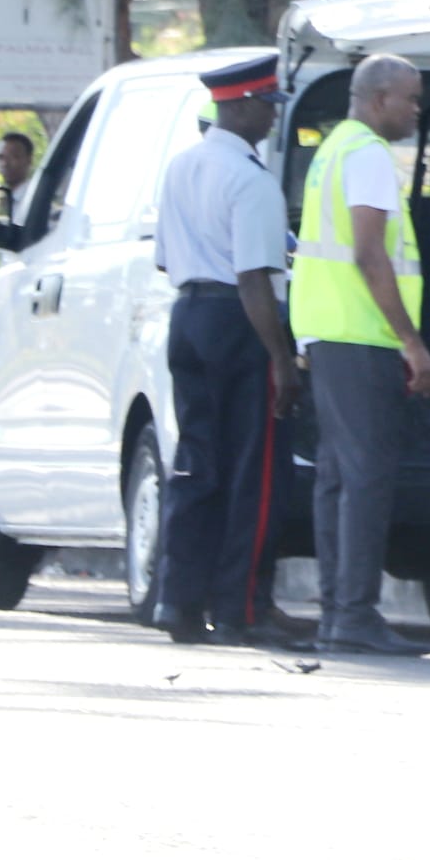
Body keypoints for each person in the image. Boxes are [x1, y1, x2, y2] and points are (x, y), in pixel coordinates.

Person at [290, 53, 430, 656]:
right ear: (379, 100)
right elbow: (370, 254)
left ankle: (337, 611)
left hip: (329, 334)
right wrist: (412, 341)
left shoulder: (334, 149)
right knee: (366, 479)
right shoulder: (370, 157)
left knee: (336, 479)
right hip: (361, 335)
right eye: (412, 99)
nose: (416, 110)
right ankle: (353, 613)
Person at [153, 53, 302, 647]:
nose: (271, 119)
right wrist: (283, 363)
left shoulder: (181, 168)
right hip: (239, 322)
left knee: (196, 466)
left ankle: (179, 600)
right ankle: (243, 607)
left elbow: (166, 258)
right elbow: (253, 279)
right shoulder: (250, 179)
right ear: (240, 105)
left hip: (187, 315)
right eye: (267, 106)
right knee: (255, 472)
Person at [0, 131, 35, 225]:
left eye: (13, 156)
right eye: (1, 157)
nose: (5, 164)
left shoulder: (35, 200)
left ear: (29, 160)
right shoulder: (4, 200)